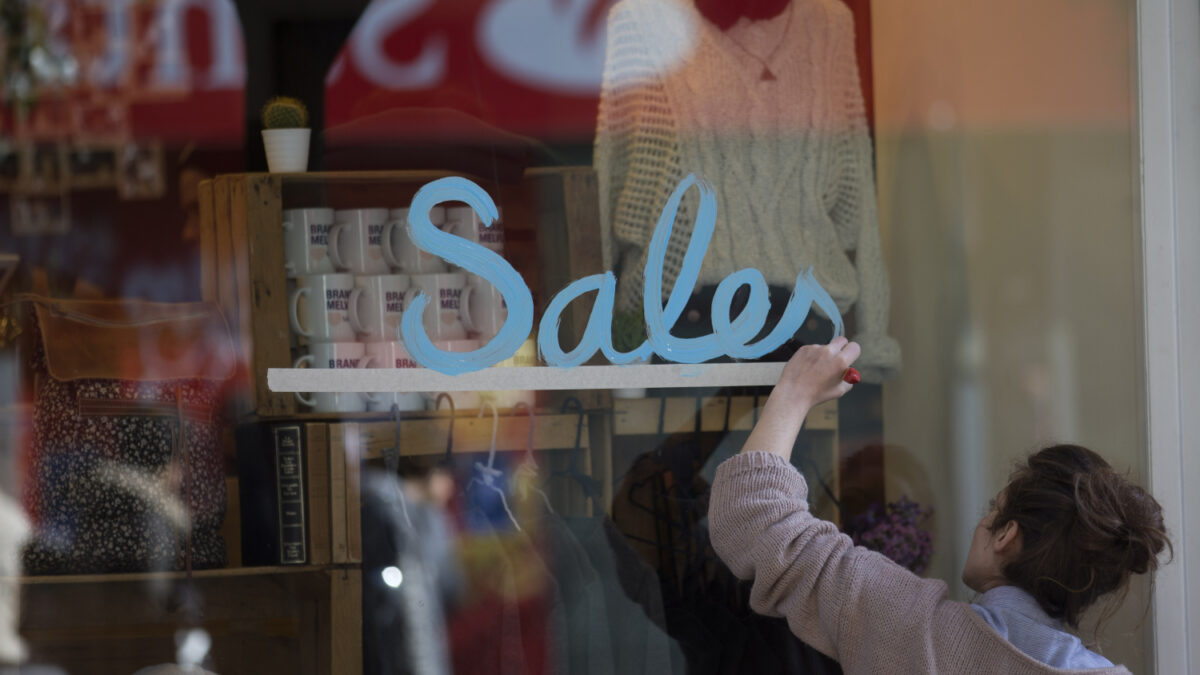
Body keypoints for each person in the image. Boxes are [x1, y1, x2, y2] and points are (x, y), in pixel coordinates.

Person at [708, 337, 1171, 673]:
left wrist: (794, 392)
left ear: (1008, 535)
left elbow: (757, 517)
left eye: (995, 507)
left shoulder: (926, 638)